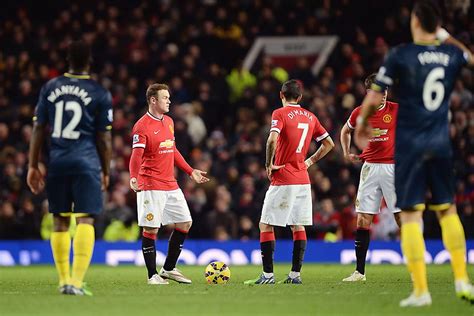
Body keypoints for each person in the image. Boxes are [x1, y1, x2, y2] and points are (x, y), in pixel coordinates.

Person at [355, 0, 474, 307]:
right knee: (448, 210)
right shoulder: (449, 54)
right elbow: (470, 58)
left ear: (416, 22)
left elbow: (372, 98)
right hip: (440, 143)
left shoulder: (400, 55)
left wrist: (363, 125)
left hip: (409, 147)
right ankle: (462, 278)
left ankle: (421, 291)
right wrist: (446, 36)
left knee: (410, 215)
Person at [27, 40, 112, 296]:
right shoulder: (99, 92)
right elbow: (104, 139)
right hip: (86, 161)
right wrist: (105, 170)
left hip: (58, 161)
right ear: (90, 61)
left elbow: (38, 128)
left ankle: (63, 280)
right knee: (86, 218)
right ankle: (76, 282)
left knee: (60, 220)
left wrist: (33, 164)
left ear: (67, 59)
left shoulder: (50, 88)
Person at [244, 79, 334, 284]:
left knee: (265, 225)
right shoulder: (311, 116)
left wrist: (268, 164)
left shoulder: (280, 113)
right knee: (298, 225)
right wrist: (309, 161)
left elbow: (272, 139)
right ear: (300, 97)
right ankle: (295, 275)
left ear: (281, 95)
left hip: (284, 177)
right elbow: (329, 144)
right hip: (303, 179)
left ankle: (267, 275)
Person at [129, 83, 209, 285]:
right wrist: (133, 176)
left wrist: (190, 171)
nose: (169, 101)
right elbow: (136, 156)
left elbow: (172, 150)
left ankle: (169, 268)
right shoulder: (142, 126)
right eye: (165, 97)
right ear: (153, 100)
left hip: (170, 183)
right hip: (150, 184)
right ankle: (151, 275)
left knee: (185, 222)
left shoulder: (170, 122)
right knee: (151, 229)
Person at [340, 73, 401, 282]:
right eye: (377, 91)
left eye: (384, 91)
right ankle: (359, 272)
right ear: (368, 93)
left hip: (392, 167)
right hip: (369, 168)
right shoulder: (360, 112)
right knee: (363, 218)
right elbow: (345, 131)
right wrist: (347, 152)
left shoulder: (395, 109)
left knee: (402, 217)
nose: (382, 95)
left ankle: (415, 268)